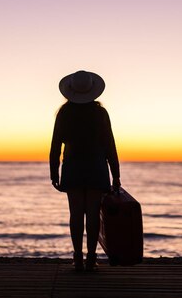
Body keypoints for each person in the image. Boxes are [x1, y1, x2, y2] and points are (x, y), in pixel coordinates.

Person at [49, 70, 120, 272]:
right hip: (96, 167)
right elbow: (110, 145)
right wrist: (116, 174)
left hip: (73, 167)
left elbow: (55, 145)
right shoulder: (100, 113)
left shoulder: (64, 113)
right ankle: (91, 258)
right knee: (93, 214)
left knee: (76, 214)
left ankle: (78, 258)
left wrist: (54, 172)